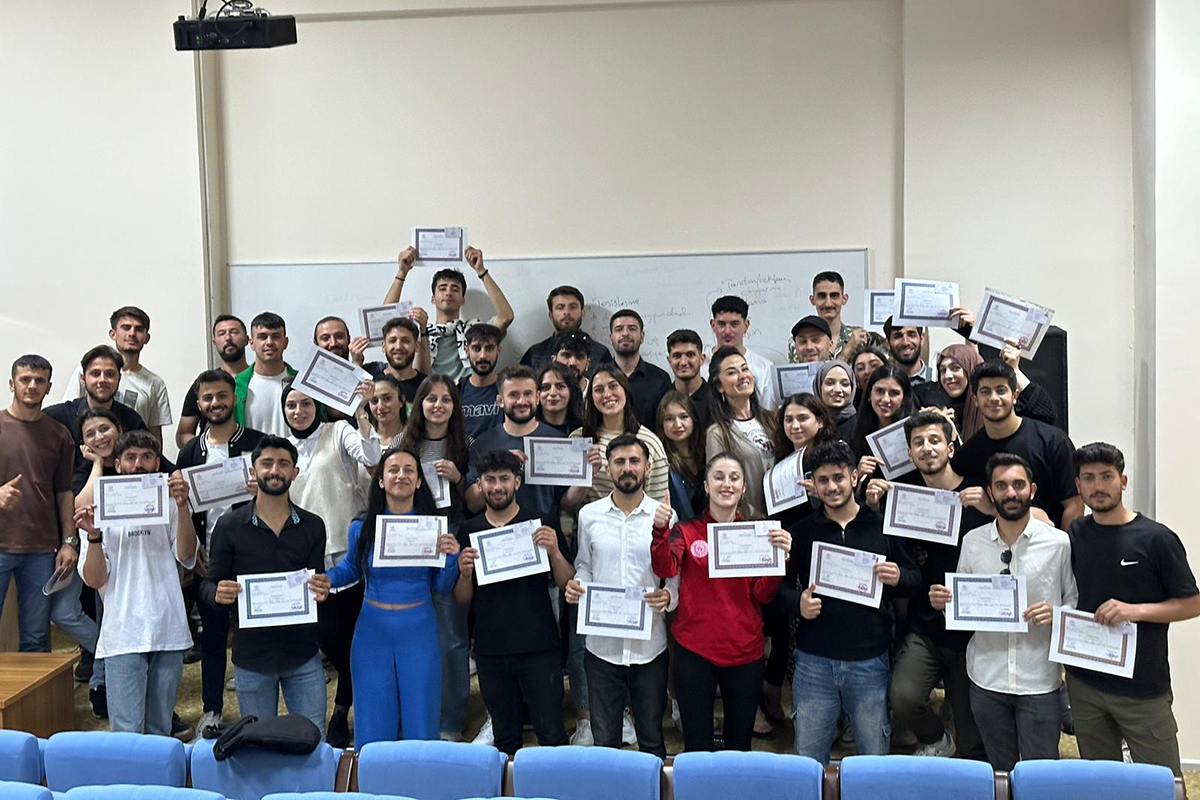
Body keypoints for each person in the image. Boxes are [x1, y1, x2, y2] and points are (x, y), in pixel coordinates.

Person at [929, 453, 1077, 772]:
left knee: (1041, 775)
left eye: (1018, 485)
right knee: (999, 772)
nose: (1011, 493)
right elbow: (961, 609)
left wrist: (1057, 614)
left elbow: (1074, 602)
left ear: (1032, 490)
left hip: (1039, 678)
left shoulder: (1059, 544)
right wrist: (945, 603)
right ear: (990, 492)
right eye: (1001, 486)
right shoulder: (972, 542)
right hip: (987, 677)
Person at [1064, 442, 1200, 776]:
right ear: (1078, 485)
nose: (1098, 486)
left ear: (1123, 481)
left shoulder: (1157, 539)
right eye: (1089, 478)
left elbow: (1192, 603)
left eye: (1107, 476)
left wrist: (1134, 611)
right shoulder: (1077, 532)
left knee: (1163, 782)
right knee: (1102, 779)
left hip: (1142, 688)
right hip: (1085, 682)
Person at [310, 446, 461, 745]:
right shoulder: (361, 526)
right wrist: (329, 579)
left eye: (409, 470)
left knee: (421, 725)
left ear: (419, 481)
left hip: (419, 631)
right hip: (372, 634)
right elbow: (352, 568)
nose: (401, 475)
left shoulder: (433, 527)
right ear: (380, 480)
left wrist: (452, 558)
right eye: (393, 470)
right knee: (373, 726)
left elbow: (443, 587)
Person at [862, 410, 989, 760]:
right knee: (903, 698)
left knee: (973, 740)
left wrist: (992, 509)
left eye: (934, 440)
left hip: (973, 630)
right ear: (909, 453)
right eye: (918, 443)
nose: (926, 448)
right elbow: (890, 555)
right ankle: (936, 738)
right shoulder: (905, 499)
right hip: (926, 625)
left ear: (951, 447)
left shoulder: (979, 495)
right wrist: (873, 509)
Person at [782, 440, 919, 764]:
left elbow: (915, 579)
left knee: (874, 761)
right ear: (813, 485)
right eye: (823, 480)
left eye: (838, 478)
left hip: (869, 662)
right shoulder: (801, 532)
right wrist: (797, 604)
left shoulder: (883, 527)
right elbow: (780, 590)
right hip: (814, 662)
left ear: (854, 477)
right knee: (809, 760)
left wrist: (899, 576)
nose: (832, 487)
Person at [650, 451, 791, 751]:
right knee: (696, 745)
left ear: (743, 487)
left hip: (745, 651)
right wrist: (660, 531)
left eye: (734, 478)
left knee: (740, 745)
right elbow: (665, 568)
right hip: (695, 651)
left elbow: (763, 595)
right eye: (718, 477)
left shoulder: (758, 533)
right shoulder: (685, 531)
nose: (726, 484)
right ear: (706, 485)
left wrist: (780, 560)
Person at [202, 436, 329, 733]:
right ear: (253, 471)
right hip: (252, 659)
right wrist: (217, 593)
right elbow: (207, 586)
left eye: (283, 464)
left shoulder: (313, 526)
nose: (275, 470)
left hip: (303, 654)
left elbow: (317, 584)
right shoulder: (229, 526)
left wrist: (322, 589)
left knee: (314, 738)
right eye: (267, 463)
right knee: (259, 744)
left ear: (295, 472)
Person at [74, 431, 197, 735]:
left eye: (146, 457)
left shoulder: (171, 503)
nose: (139, 464)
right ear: (117, 464)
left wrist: (184, 506)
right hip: (123, 633)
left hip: (168, 629)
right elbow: (95, 579)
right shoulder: (98, 509)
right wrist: (93, 536)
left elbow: (186, 555)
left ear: (157, 463)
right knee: (127, 732)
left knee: (160, 729)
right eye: (130, 458)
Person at [454, 449, 574, 755]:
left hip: (540, 647)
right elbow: (462, 599)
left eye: (504, 479)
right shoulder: (469, 530)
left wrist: (555, 552)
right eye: (490, 480)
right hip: (491, 650)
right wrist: (464, 574)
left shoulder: (541, 523)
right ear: (479, 485)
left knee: (552, 735)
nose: (497, 487)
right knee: (504, 739)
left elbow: (567, 582)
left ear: (517, 482)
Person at [566, 435, 677, 758]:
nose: (627, 468)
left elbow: (675, 574)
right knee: (605, 744)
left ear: (648, 467)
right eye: (619, 462)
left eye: (634, 461)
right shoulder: (589, 515)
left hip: (649, 647)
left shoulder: (665, 516)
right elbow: (585, 565)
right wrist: (578, 584)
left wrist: (669, 595)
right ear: (608, 468)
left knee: (652, 741)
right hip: (602, 648)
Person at [282, 384, 381, 746]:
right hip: (305, 559)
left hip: (346, 554)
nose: (298, 411)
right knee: (329, 640)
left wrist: (361, 413)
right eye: (291, 405)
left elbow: (372, 456)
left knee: (353, 639)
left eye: (306, 403)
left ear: (318, 406)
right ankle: (353, 702)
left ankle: (342, 711)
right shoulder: (281, 447)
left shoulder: (338, 431)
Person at [175, 369, 265, 739]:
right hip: (207, 560)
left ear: (235, 398)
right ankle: (211, 710)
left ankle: (256, 712)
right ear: (199, 404)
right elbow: (182, 506)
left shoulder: (257, 444)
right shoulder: (190, 451)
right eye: (208, 398)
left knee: (252, 638)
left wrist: (260, 492)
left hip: (251, 558)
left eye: (222, 396)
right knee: (211, 639)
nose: (215, 403)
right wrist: (193, 549)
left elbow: (279, 496)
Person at [394, 375, 473, 741]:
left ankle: (450, 721)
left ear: (455, 406)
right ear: (419, 404)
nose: (438, 405)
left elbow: (475, 501)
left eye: (446, 399)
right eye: (431, 399)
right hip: (408, 539)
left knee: (450, 634)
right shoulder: (402, 442)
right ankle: (411, 715)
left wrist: (458, 478)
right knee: (409, 630)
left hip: (449, 538)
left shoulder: (465, 444)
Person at [0, 355, 80, 653]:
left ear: (49, 387)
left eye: (39, 381)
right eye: (25, 379)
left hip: (42, 550)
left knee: (36, 637)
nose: (32, 386)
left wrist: (69, 542)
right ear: (12, 384)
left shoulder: (59, 434)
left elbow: (64, 492)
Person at [953, 361, 1083, 530]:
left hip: (1051, 541)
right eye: (985, 391)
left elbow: (1074, 504)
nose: (994, 398)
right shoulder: (968, 455)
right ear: (975, 400)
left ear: (1015, 396)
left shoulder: (1053, 441)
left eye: (1001, 390)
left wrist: (1062, 544)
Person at [387, 245, 514, 381]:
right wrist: (402, 272)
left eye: (455, 289)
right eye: (443, 288)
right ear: (433, 299)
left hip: (468, 391)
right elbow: (385, 322)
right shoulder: (419, 333)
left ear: (463, 300)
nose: (448, 293)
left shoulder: (475, 332)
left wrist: (481, 271)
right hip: (430, 392)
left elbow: (506, 317)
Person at [61, 306, 172, 446]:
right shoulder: (89, 372)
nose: (132, 333)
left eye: (138, 329)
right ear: (113, 334)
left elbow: (154, 436)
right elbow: (70, 415)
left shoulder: (155, 384)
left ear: (146, 338)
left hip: (130, 455)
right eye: (126, 327)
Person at [563, 366, 670, 509]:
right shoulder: (577, 440)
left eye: (613, 386)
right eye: (599, 390)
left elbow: (658, 507)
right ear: (591, 397)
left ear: (625, 391)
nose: (607, 394)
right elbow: (566, 505)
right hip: (588, 521)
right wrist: (587, 476)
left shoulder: (650, 443)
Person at [465, 367, 564, 518]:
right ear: (500, 401)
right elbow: (472, 504)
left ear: (537, 397)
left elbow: (568, 502)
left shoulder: (558, 441)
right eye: (513, 395)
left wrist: (587, 473)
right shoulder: (483, 444)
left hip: (544, 528)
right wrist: (500, 464)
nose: (521, 401)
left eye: (528, 394)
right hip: (498, 530)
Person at [45, 346, 148, 469]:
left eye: (110, 374)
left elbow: (154, 458)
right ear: (83, 379)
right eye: (95, 374)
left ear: (119, 378)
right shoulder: (57, 417)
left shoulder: (132, 420)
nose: (102, 380)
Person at [704, 347, 776, 517]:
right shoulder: (717, 433)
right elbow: (717, 485)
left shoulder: (772, 420)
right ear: (719, 386)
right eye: (732, 372)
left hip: (783, 517)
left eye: (745, 369)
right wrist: (752, 513)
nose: (742, 376)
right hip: (747, 521)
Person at [176, 314, 250, 449]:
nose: (228, 338)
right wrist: (209, 450)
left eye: (234, 332)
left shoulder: (259, 380)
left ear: (247, 339)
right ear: (214, 342)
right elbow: (183, 434)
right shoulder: (204, 385)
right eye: (221, 334)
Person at [788, 271, 878, 363]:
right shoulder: (800, 341)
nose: (828, 303)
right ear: (812, 300)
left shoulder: (859, 337)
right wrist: (848, 349)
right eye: (821, 296)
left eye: (834, 296)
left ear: (844, 299)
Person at [849, 363, 915, 484]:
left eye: (894, 393)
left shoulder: (916, 431)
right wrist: (857, 475)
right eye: (879, 391)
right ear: (870, 394)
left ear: (904, 398)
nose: (885, 399)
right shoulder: (855, 430)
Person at [233, 312, 296, 437]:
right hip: (251, 450)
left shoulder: (301, 382)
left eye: (276, 336)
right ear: (251, 343)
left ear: (285, 342)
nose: (269, 342)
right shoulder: (237, 385)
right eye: (262, 337)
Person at [709, 295, 776, 410]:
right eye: (722, 324)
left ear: (746, 325)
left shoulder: (765, 368)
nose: (727, 331)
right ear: (713, 325)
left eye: (734, 324)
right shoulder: (700, 365)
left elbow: (768, 412)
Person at [521, 285, 612, 369]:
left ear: (583, 313)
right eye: (560, 307)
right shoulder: (534, 354)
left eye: (573, 307)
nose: (567, 312)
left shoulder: (600, 353)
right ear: (551, 315)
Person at [609, 309, 672, 430]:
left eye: (632, 329)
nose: (625, 333)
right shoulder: (599, 377)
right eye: (619, 329)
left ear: (642, 337)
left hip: (650, 442)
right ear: (611, 338)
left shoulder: (660, 379)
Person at [656, 391, 706, 522]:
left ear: (694, 418)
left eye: (684, 417)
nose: (677, 424)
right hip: (678, 530)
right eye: (669, 419)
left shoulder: (707, 454)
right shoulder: (660, 461)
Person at [458, 323, 505, 439]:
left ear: (498, 350)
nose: (483, 356)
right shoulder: (456, 391)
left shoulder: (508, 390)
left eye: (489, 348)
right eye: (476, 348)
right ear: (466, 350)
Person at [665, 329, 715, 434]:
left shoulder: (717, 400)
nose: (683, 362)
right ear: (669, 361)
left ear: (702, 359)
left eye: (690, 355)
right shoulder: (662, 400)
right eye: (677, 356)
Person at [813, 359, 857, 441]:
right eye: (830, 383)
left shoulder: (861, 425)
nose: (837, 390)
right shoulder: (810, 425)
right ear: (819, 386)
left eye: (845, 384)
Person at [536, 361, 584, 435]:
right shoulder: (527, 429)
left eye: (560, 386)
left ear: (571, 391)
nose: (553, 393)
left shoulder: (583, 431)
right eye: (545, 387)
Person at [364, 374, 408, 449]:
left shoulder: (416, 437)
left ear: (401, 401)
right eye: (374, 401)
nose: (380, 407)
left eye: (387, 398)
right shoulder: (361, 438)